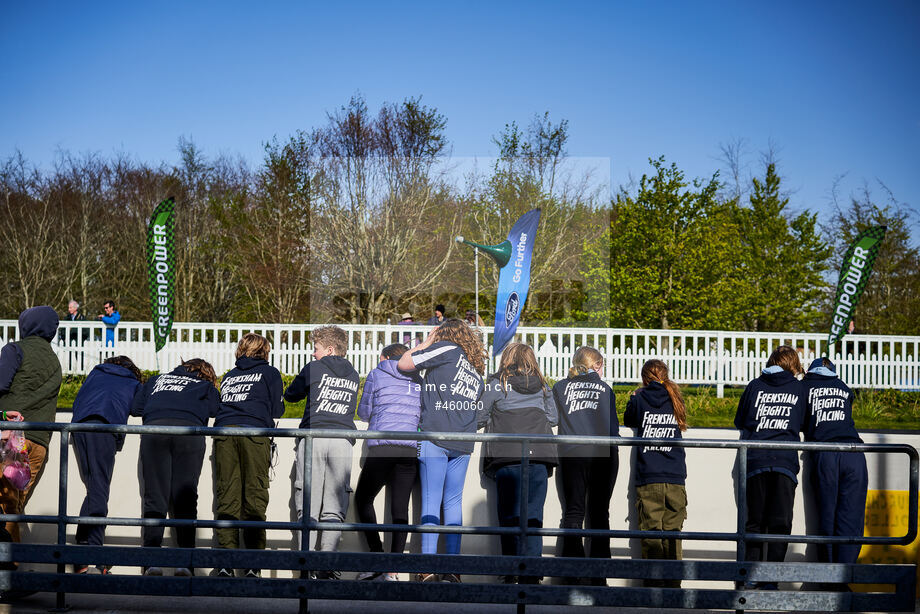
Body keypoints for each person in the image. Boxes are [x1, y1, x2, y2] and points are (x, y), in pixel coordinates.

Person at [397, 318, 485, 583]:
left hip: (436, 435)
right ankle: (453, 568)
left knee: (431, 500)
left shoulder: (446, 348)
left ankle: (427, 567)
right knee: (453, 503)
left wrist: (425, 342)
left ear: (445, 334)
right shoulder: (476, 370)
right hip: (463, 441)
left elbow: (404, 364)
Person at [130, 358, 219, 576]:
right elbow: (216, 409)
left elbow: (136, 408)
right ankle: (185, 563)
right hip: (189, 432)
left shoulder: (155, 380)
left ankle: (151, 562)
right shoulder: (205, 385)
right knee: (186, 497)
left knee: (154, 496)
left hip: (154, 430)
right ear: (205, 373)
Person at [283, 325, 359, 579]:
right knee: (335, 507)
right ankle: (326, 564)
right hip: (342, 439)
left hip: (314, 436)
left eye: (315, 349)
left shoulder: (313, 368)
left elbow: (291, 395)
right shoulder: (353, 372)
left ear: (329, 349)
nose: (313, 354)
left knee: (308, 501)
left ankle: (305, 563)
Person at [477, 343, 557, 585]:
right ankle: (532, 572)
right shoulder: (543, 386)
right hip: (539, 458)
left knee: (509, 516)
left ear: (507, 360)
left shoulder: (496, 384)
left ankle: (511, 570)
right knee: (534, 516)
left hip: (507, 457)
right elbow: (552, 418)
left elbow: (479, 417)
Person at [734, 345, 806, 587]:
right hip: (785, 462)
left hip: (756, 460)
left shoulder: (755, 385)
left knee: (754, 521)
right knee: (781, 523)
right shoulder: (798, 388)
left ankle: (748, 578)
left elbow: (740, 421)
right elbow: (805, 422)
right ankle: (771, 579)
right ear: (792, 364)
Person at [213, 334, 283, 579]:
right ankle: (253, 565)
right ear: (264, 351)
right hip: (254, 433)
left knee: (226, 497)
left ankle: (225, 563)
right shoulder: (270, 373)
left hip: (224, 433)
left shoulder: (230, 376)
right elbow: (277, 409)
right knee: (255, 497)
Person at [70, 355, 144, 573]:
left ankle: (86, 552)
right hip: (103, 428)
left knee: (94, 489)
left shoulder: (95, 373)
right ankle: (90, 553)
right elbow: (139, 408)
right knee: (99, 491)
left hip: (79, 428)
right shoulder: (132, 382)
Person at [354, 343, 421, 581]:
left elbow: (363, 412)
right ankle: (393, 570)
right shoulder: (418, 378)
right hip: (409, 448)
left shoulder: (377, 372)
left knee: (363, 499)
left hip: (383, 446)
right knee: (400, 509)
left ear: (384, 357)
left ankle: (377, 558)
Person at [551, 346, 618, 586]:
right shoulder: (605, 389)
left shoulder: (560, 387)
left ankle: (572, 572)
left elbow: (552, 418)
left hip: (571, 453)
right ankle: (599, 574)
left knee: (573, 512)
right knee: (599, 513)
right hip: (603, 453)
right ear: (597, 366)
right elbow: (613, 430)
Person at [0, 306, 62, 543]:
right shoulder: (55, 362)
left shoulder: (15, 349)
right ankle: (13, 565)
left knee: (5, 502)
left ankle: (8, 565)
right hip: (39, 443)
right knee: (14, 505)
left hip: (10, 438)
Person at [623, 359, 688, 588]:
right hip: (674, 476)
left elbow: (628, 419)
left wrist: (633, 397)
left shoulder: (640, 398)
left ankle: (653, 585)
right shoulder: (675, 397)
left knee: (651, 533)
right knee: (673, 534)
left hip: (649, 475)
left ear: (644, 378)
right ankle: (673, 584)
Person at [802, 357, 867, 572]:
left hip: (825, 452)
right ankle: (845, 573)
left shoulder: (804, 387)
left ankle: (828, 574)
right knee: (851, 517)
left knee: (826, 515)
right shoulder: (843, 387)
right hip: (854, 452)